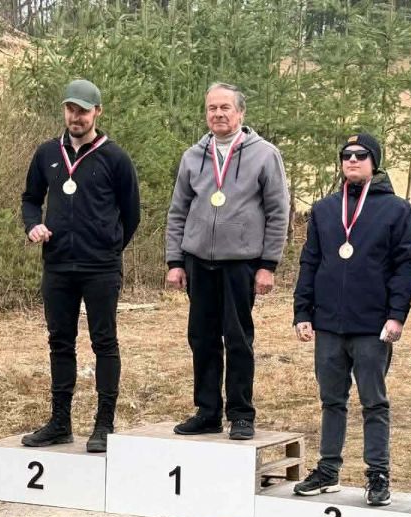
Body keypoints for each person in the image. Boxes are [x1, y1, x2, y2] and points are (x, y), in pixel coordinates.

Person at [291, 133, 411, 506]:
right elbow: (310, 261)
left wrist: (397, 316)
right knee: (331, 400)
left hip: (372, 326)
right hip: (329, 323)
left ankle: (378, 475)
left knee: (373, 402)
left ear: (374, 162)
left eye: (361, 155)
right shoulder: (324, 209)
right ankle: (328, 470)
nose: (352, 160)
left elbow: (405, 266)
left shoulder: (396, 209)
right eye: (346, 155)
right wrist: (302, 311)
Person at [20, 79, 141, 453]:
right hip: (58, 266)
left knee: (104, 342)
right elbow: (30, 199)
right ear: (64, 110)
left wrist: (107, 247)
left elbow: (131, 214)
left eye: (84, 111)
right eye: (71, 110)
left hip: (100, 267)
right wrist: (32, 225)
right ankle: (60, 423)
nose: (76, 117)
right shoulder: (46, 153)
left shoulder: (115, 158)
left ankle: (104, 424)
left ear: (97, 113)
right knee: (60, 342)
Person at [164, 82, 290, 440]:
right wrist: (175, 260)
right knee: (202, 339)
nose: (218, 114)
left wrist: (268, 265)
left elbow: (279, 212)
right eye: (212, 108)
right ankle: (207, 412)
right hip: (198, 261)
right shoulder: (193, 156)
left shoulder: (264, 154)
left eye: (225, 108)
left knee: (237, 338)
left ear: (240, 113)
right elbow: (178, 211)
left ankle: (241, 414)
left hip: (241, 263)